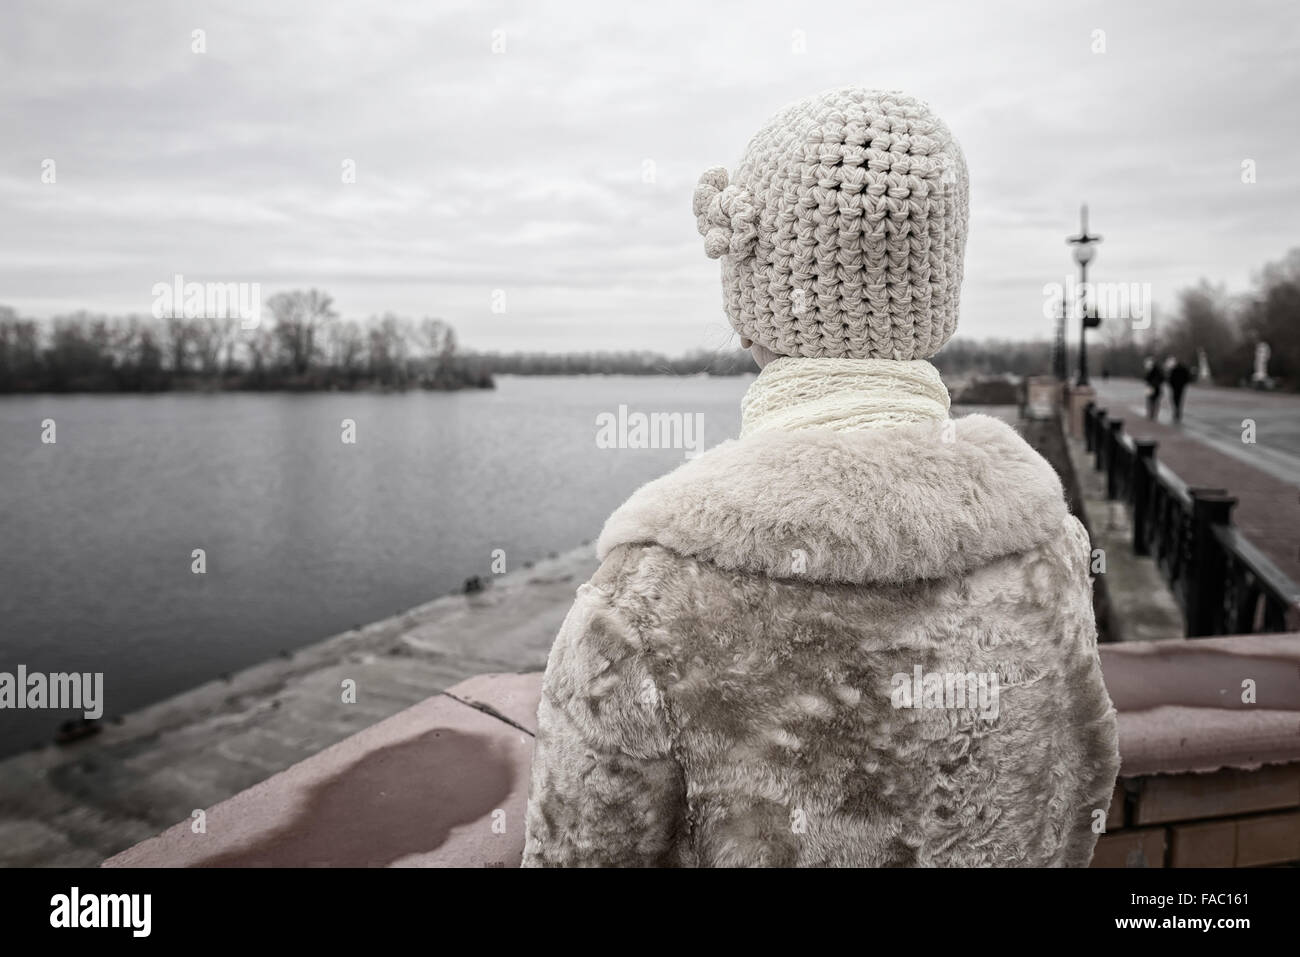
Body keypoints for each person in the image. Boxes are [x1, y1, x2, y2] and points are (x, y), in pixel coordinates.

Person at [521, 88, 1119, 867]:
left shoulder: (645, 602)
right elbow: (1082, 793)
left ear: (746, 305)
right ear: (937, 297)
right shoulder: (1052, 551)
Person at [1167, 355, 1191, 423]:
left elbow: (1170, 379)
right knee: (1180, 399)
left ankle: (1176, 411)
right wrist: (1184, 384)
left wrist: (1171, 385)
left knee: (1175, 399)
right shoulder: (1184, 369)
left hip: (1175, 387)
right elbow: (1187, 378)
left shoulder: (1174, 369)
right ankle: (1178, 411)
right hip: (1181, 387)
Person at [1143, 356, 1165, 421]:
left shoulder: (1150, 370)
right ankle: (1154, 414)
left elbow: (1146, 378)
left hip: (1150, 387)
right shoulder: (1160, 370)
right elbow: (1163, 378)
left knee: (1150, 400)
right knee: (1155, 401)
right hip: (1157, 387)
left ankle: (1150, 413)